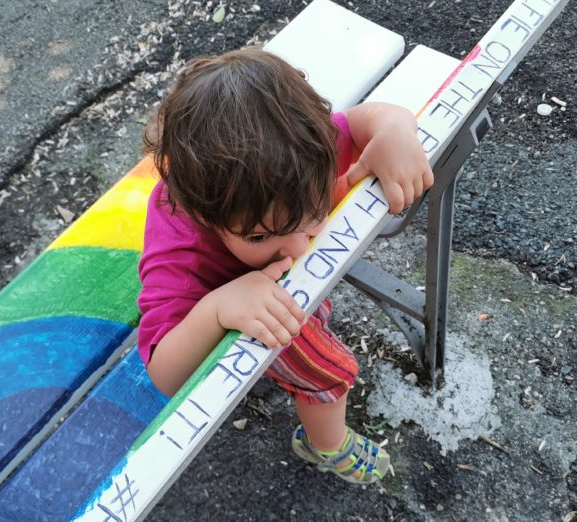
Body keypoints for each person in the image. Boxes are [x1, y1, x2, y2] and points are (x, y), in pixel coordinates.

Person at [137, 47, 433, 484]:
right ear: (203, 215)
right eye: (258, 236)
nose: (296, 244)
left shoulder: (297, 151)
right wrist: (218, 308)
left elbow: (365, 119)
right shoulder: (181, 251)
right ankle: (325, 446)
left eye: (311, 213)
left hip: (281, 290)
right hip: (245, 312)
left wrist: (395, 130)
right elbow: (164, 373)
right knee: (330, 374)